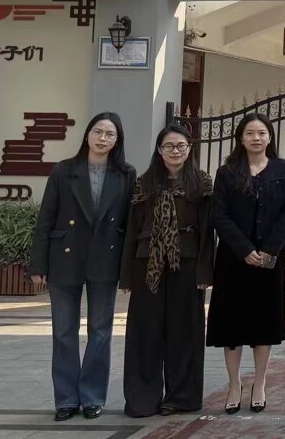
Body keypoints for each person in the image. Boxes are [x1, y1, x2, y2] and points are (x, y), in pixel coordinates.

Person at [29, 112, 137, 422]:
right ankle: (65, 399)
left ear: (117, 140)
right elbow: (46, 217)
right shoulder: (64, 170)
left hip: (106, 258)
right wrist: (38, 263)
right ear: (87, 134)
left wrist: (128, 271)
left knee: (100, 331)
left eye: (110, 134)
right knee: (63, 331)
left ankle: (92, 397)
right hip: (65, 258)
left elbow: (130, 225)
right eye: (98, 132)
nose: (103, 138)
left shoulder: (126, 173)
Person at [121, 122, 214, 417]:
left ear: (189, 149)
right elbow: (131, 229)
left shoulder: (201, 183)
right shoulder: (144, 183)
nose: (175, 151)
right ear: (159, 150)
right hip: (147, 262)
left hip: (187, 263)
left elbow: (208, 231)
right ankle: (143, 399)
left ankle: (181, 397)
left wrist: (205, 272)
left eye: (181, 146)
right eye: (169, 146)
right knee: (145, 333)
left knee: (185, 332)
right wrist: (126, 275)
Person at [206, 113, 285, 415]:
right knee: (232, 326)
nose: (256, 138)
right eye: (249, 133)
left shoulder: (283, 169)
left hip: (269, 260)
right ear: (241, 138)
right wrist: (244, 249)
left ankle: (259, 383)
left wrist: (270, 249)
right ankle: (234, 385)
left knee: (263, 324)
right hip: (233, 259)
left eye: (261, 133)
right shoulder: (227, 172)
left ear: (270, 137)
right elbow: (219, 215)